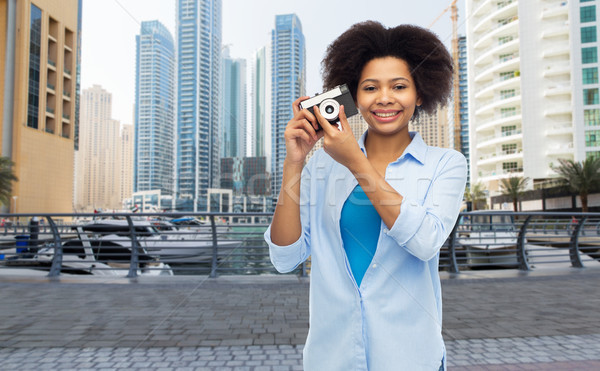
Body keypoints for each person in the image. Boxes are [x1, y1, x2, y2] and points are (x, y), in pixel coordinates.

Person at [264, 21, 467, 370]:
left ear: (419, 95)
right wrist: (295, 163)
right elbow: (285, 259)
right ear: (354, 98)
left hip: (410, 357)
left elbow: (425, 241)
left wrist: (355, 161)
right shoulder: (324, 167)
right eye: (370, 87)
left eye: (399, 86)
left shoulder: (446, 164)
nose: (384, 98)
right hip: (333, 356)